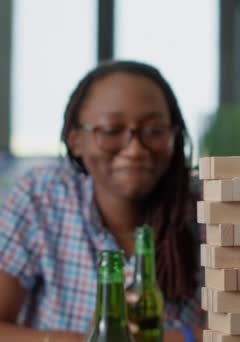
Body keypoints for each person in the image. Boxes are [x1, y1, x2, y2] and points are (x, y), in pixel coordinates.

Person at [0, 60, 204, 341]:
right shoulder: (41, 197)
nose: (134, 149)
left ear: (175, 137)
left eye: (155, 131)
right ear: (75, 140)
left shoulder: (208, 206)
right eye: (111, 130)